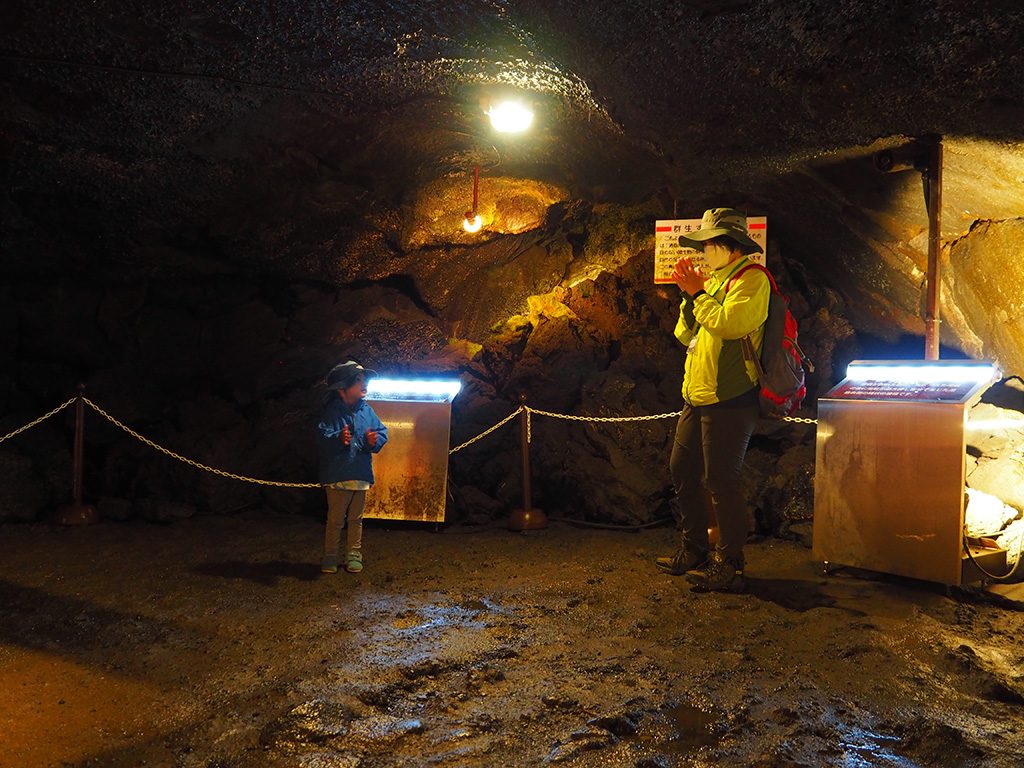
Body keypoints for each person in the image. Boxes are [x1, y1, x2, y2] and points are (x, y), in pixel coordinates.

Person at [654, 208, 770, 592]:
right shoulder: (713, 283)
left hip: (732, 397)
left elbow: (731, 324)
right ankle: (694, 549)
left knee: (721, 479)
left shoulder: (752, 280)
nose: (703, 252)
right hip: (698, 395)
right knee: (681, 469)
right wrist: (691, 297)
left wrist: (698, 293)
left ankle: (731, 561)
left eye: (708, 244)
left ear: (728, 245)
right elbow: (685, 335)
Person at [317, 360, 389, 574]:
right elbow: (322, 436)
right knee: (336, 519)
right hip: (338, 474)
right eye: (358, 381)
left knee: (356, 518)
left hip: (360, 473)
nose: (364, 384)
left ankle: (353, 554)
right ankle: (330, 555)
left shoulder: (367, 411)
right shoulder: (332, 412)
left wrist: (373, 441)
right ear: (342, 388)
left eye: (364, 380)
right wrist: (338, 438)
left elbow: (381, 432)